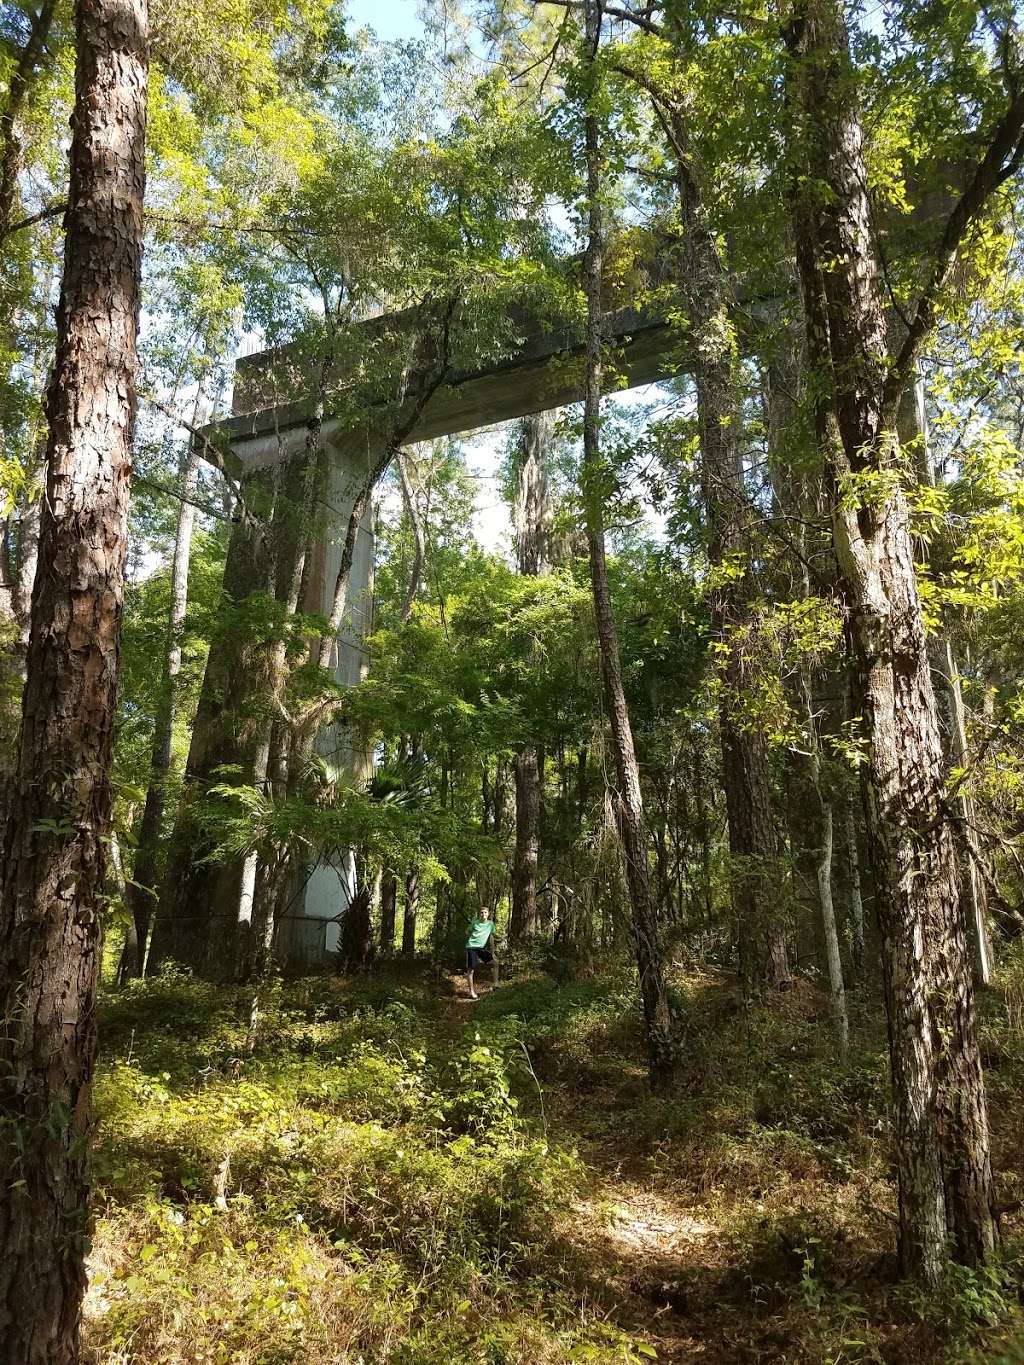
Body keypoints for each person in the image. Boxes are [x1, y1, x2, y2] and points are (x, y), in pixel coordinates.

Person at [465, 906, 498, 1000]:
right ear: (479, 914)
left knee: (495, 963)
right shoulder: (475, 923)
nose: (483, 914)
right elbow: (467, 931)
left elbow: (492, 937)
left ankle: (496, 984)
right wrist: (470, 936)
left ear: (488, 914)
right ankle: (471, 991)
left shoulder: (490, 924)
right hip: (472, 947)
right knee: (471, 969)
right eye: (481, 913)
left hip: (481, 948)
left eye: (485, 912)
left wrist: (493, 952)